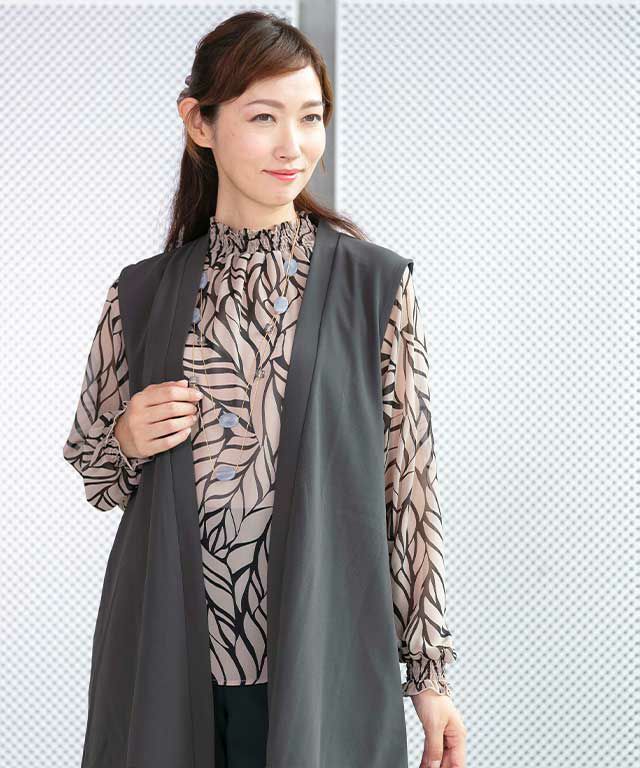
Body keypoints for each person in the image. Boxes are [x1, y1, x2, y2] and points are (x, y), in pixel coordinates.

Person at [63, 10, 467, 768]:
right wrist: (125, 437)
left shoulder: (375, 287)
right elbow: (96, 474)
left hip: (323, 666)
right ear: (200, 122)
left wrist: (430, 678)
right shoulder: (141, 295)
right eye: (263, 117)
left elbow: (408, 486)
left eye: (310, 117)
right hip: (164, 665)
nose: (294, 145)